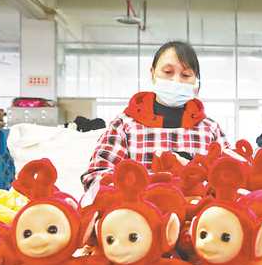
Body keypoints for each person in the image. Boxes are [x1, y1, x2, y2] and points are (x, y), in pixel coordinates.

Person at [81, 41, 228, 191]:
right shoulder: (124, 125)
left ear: (195, 80)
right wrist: (140, 186)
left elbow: (231, 176)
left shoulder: (210, 129)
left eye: (185, 75)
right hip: (138, 204)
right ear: (152, 73)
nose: (176, 81)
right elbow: (97, 176)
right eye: (168, 72)